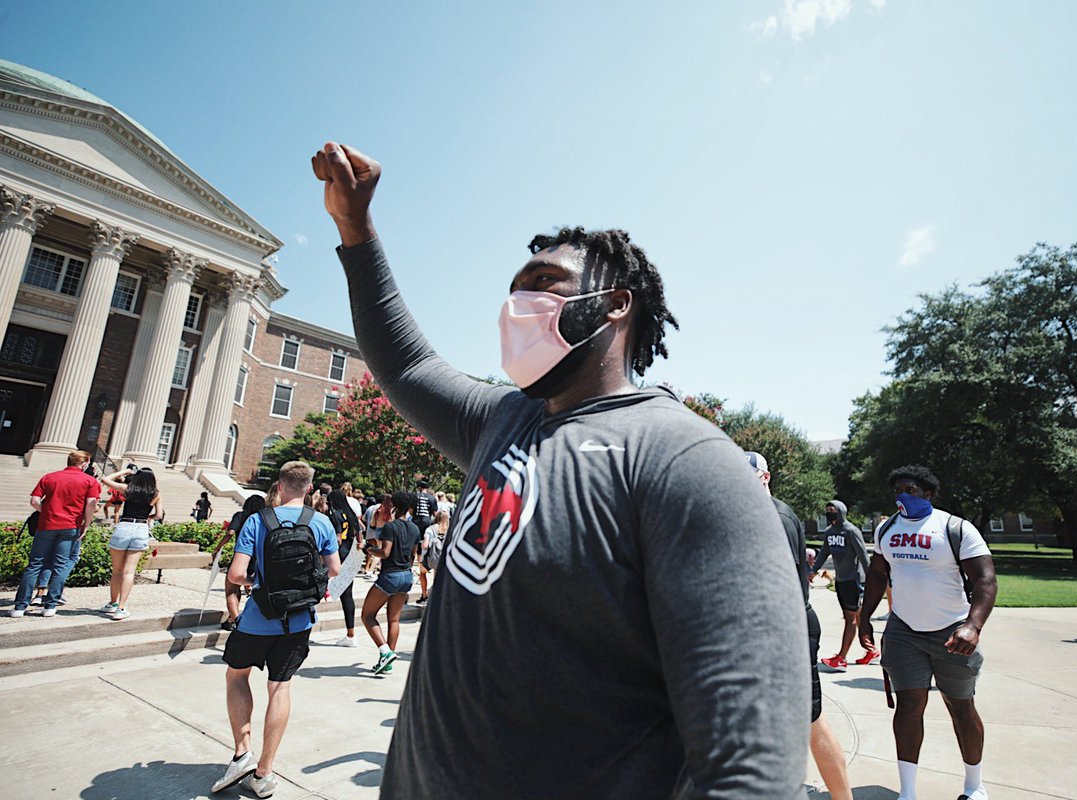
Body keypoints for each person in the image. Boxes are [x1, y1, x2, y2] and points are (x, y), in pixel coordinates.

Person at [313, 141, 809, 796]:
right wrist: (354, 226)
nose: (518, 305)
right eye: (513, 291)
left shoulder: (684, 459)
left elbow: (748, 767)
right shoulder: (503, 419)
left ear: (615, 304)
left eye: (543, 283)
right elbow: (406, 364)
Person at [859, 465, 997, 800]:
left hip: (952, 633)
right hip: (904, 631)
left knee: (960, 706)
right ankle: (907, 792)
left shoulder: (955, 528)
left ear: (929, 493)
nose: (902, 496)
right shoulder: (887, 529)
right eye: (897, 491)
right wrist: (864, 618)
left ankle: (974, 786)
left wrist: (972, 626)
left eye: (910, 490)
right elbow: (877, 575)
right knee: (908, 707)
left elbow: (985, 579)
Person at [212, 461, 340, 797]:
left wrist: (260, 581)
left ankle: (242, 753)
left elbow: (236, 574)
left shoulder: (258, 520)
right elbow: (334, 569)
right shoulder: (321, 522)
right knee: (280, 688)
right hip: (298, 621)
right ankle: (264, 772)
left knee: (236, 676)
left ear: (280, 486)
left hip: (258, 618)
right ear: (309, 489)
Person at [747, 452, 851, 800]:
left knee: (810, 721)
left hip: (786, 629)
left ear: (765, 476)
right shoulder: (753, 512)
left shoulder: (774, 516)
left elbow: (783, 584)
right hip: (769, 628)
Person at [11, 450, 100, 618]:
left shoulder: (50, 477)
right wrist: (86, 524)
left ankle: (19, 607)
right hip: (71, 525)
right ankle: (50, 606)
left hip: (46, 525)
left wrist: (47, 512)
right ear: (84, 463)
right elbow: (91, 504)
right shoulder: (89, 481)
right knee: (60, 565)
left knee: (34, 565)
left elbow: (34, 501)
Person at [362, 491, 421, 675]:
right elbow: (413, 555)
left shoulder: (390, 526)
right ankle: (387, 662)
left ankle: (385, 651)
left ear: (394, 506)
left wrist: (370, 550)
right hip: (406, 575)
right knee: (394, 619)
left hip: (390, 575)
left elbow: (385, 552)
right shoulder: (415, 528)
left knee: (367, 615)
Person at [813, 500, 874, 670]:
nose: (829, 512)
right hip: (840, 580)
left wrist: (871, 579)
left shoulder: (851, 531)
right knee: (858, 617)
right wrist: (814, 570)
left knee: (850, 618)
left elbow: (863, 555)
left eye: (832, 510)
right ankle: (872, 650)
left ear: (840, 511)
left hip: (853, 580)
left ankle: (841, 658)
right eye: (827, 510)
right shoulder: (829, 532)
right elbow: (824, 552)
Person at [98, 466, 162, 620]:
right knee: (129, 572)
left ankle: (112, 603)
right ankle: (121, 608)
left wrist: (124, 472)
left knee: (117, 571)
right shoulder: (156, 494)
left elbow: (105, 479)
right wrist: (149, 517)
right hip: (140, 527)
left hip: (124, 526)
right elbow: (159, 515)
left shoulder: (128, 489)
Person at [213, 494, 268, 631]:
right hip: (257, 560)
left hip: (242, 557)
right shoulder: (265, 519)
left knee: (232, 591)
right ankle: (232, 618)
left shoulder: (240, 516)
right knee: (250, 588)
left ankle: (236, 622)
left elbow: (230, 533)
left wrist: (218, 547)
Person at [327, 489, 365, 647]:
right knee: (347, 595)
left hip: (337, 555)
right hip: (350, 554)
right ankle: (351, 634)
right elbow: (360, 533)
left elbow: (337, 539)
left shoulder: (334, 514)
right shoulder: (351, 514)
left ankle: (351, 636)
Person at [416, 509, 450, 605]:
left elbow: (425, 545)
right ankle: (436, 597)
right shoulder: (448, 530)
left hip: (429, 558)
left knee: (422, 573)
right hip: (442, 558)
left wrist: (422, 544)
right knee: (437, 577)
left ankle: (424, 595)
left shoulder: (430, 529)